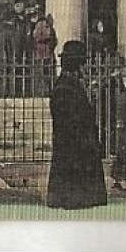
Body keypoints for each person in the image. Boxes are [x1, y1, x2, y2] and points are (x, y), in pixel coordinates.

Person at [45, 40, 107, 209]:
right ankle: (72, 199)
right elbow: (67, 117)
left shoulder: (71, 84)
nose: (85, 68)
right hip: (72, 141)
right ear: (76, 65)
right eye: (83, 64)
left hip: (77, 140)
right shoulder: (65, 87)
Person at [32, 13, 59, 91]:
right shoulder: (41, 25)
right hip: (42, 53)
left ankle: (49, 89)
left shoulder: (50, 28)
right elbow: (37, 37)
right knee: (43, 73)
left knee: (48, 73)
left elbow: (54, 41)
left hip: (47, 54)